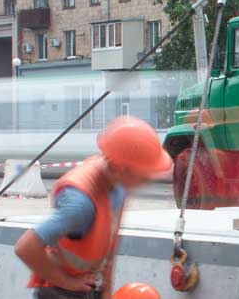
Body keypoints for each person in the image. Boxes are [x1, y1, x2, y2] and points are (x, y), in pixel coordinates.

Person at [14, 116, 173, 299]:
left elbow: (110, 242)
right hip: (60, 292)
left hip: (88, 286)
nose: (148, 179)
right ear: (123, 169)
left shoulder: (118, 185)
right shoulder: (80, 205)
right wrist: (68, 282)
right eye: (145, 174)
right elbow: (25, 247)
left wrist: (106, 287)